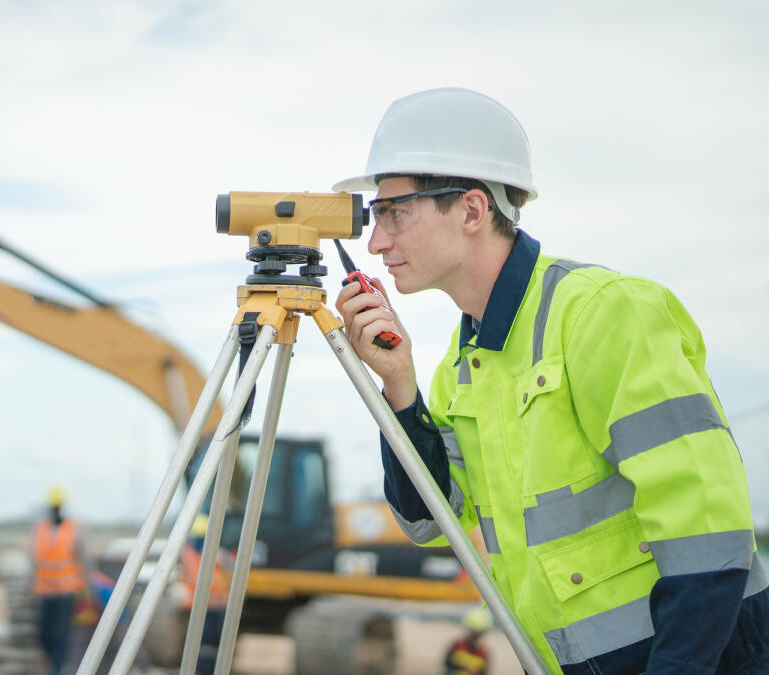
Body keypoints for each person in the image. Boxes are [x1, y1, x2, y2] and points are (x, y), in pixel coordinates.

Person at [332, 87, 769, 673]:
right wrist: (399, 390)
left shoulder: (603, 312)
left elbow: (708, 528)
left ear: (470, 209)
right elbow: (429, 522)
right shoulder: (460, 368)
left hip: (698, 653)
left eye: (394, 212)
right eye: (377, 216)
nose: (376, 241)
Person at [32, 485, 87, 674]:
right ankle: (51, 664)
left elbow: (83, 559)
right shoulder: (40, 529)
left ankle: (57, 669)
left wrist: (86, 588)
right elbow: (36, 560)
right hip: (44, 590)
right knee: (44, 633)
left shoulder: (73, 529)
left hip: (66, 590)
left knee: (60, 633)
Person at [177, 515, 232, 675]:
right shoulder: (210, 553)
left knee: (207, 644)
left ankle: (205, 670)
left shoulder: (210, 554)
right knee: (205, 644)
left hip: (210, 607)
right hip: (202, 606)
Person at [444, 607, 492, 675]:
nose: (475, 638)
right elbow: (447, 666)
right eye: (473, 633)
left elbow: (484, 671)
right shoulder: (457, 645)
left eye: (478, 634)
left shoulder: (483, 653)